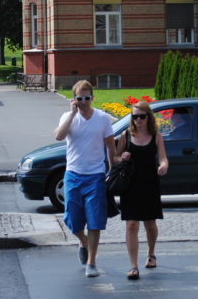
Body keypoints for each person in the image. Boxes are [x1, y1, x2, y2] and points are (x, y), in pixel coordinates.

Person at [54, 80, 115, 278]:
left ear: (92, 98)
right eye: (79, 98)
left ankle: (92, 261)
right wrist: (72, 114)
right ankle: (83, 242)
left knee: (95, 220)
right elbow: (58, 136)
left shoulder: (102, 118)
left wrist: (111, 170)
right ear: (74, 99)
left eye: (87, 98)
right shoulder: (68, 116)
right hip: (73, 174)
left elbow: (110, 146)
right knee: (71, 218)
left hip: (95, 175)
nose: (83, 102)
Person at [115, 101, 168, 280]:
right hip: (130, 184)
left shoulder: (156, 136)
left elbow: (163, 158)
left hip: (150, 183)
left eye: (142, 116)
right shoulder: (126, 135)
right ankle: (133, 266)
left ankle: (151, 254)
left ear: (148, 117)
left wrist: (163, 166)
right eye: (135, 116)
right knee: (131, 224)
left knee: (150, 223)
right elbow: (114, 157)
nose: (138, 120)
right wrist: (121, 157)